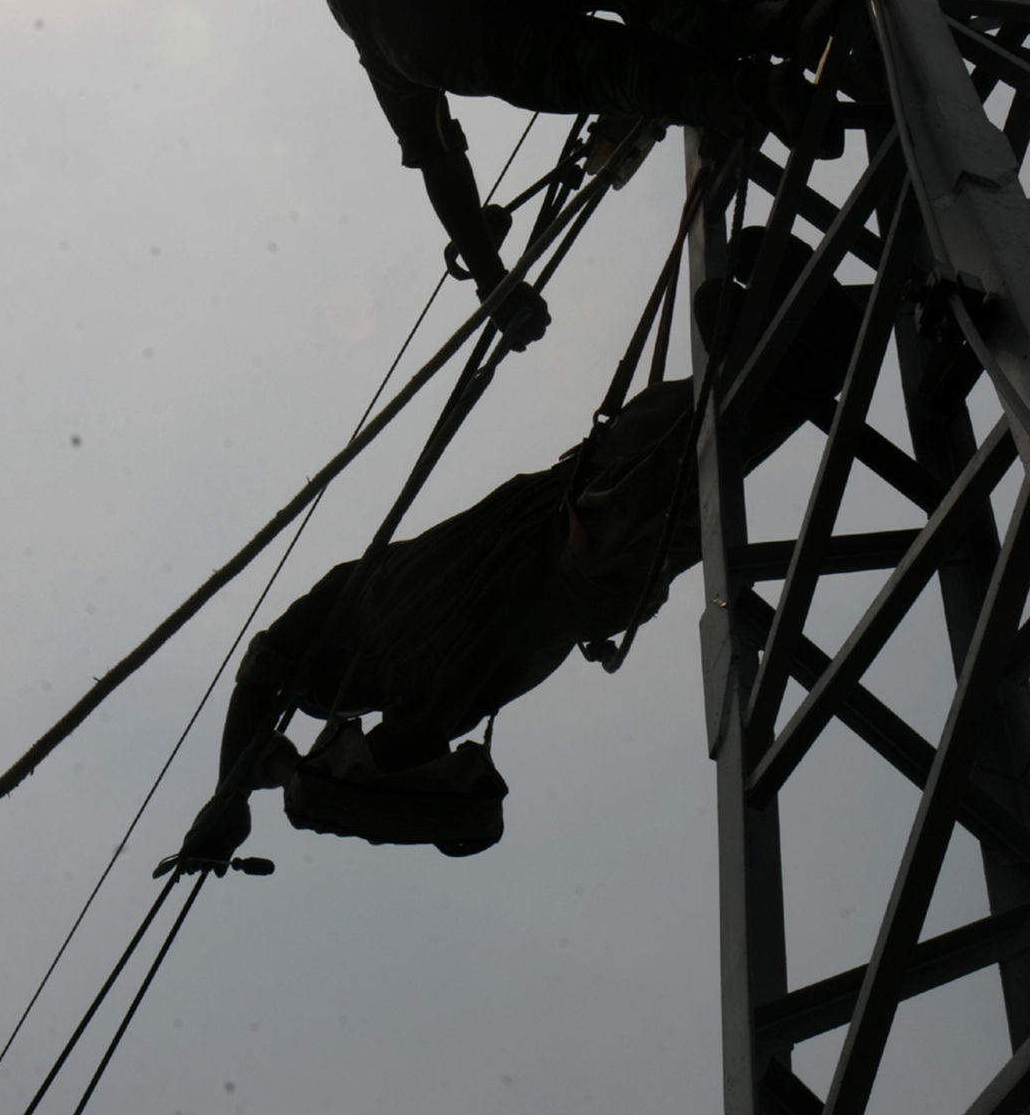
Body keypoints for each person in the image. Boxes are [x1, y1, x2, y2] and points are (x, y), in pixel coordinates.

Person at [169, 232, 860, 873]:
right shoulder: (427, 699)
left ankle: (794, 346)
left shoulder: (360, 606)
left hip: (565, 502)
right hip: (577, 565)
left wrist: (234, 789)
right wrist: (262, 783)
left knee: (660, 434)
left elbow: (261, 677)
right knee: (677, 465)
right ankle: (798, 357)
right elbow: (367, 789)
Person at [317, 0, 844, 349]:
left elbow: (437, 159)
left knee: (596, 69)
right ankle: (768, 23)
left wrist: (492, 280)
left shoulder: (380, 56)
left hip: (408, 40)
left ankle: (749, 94)